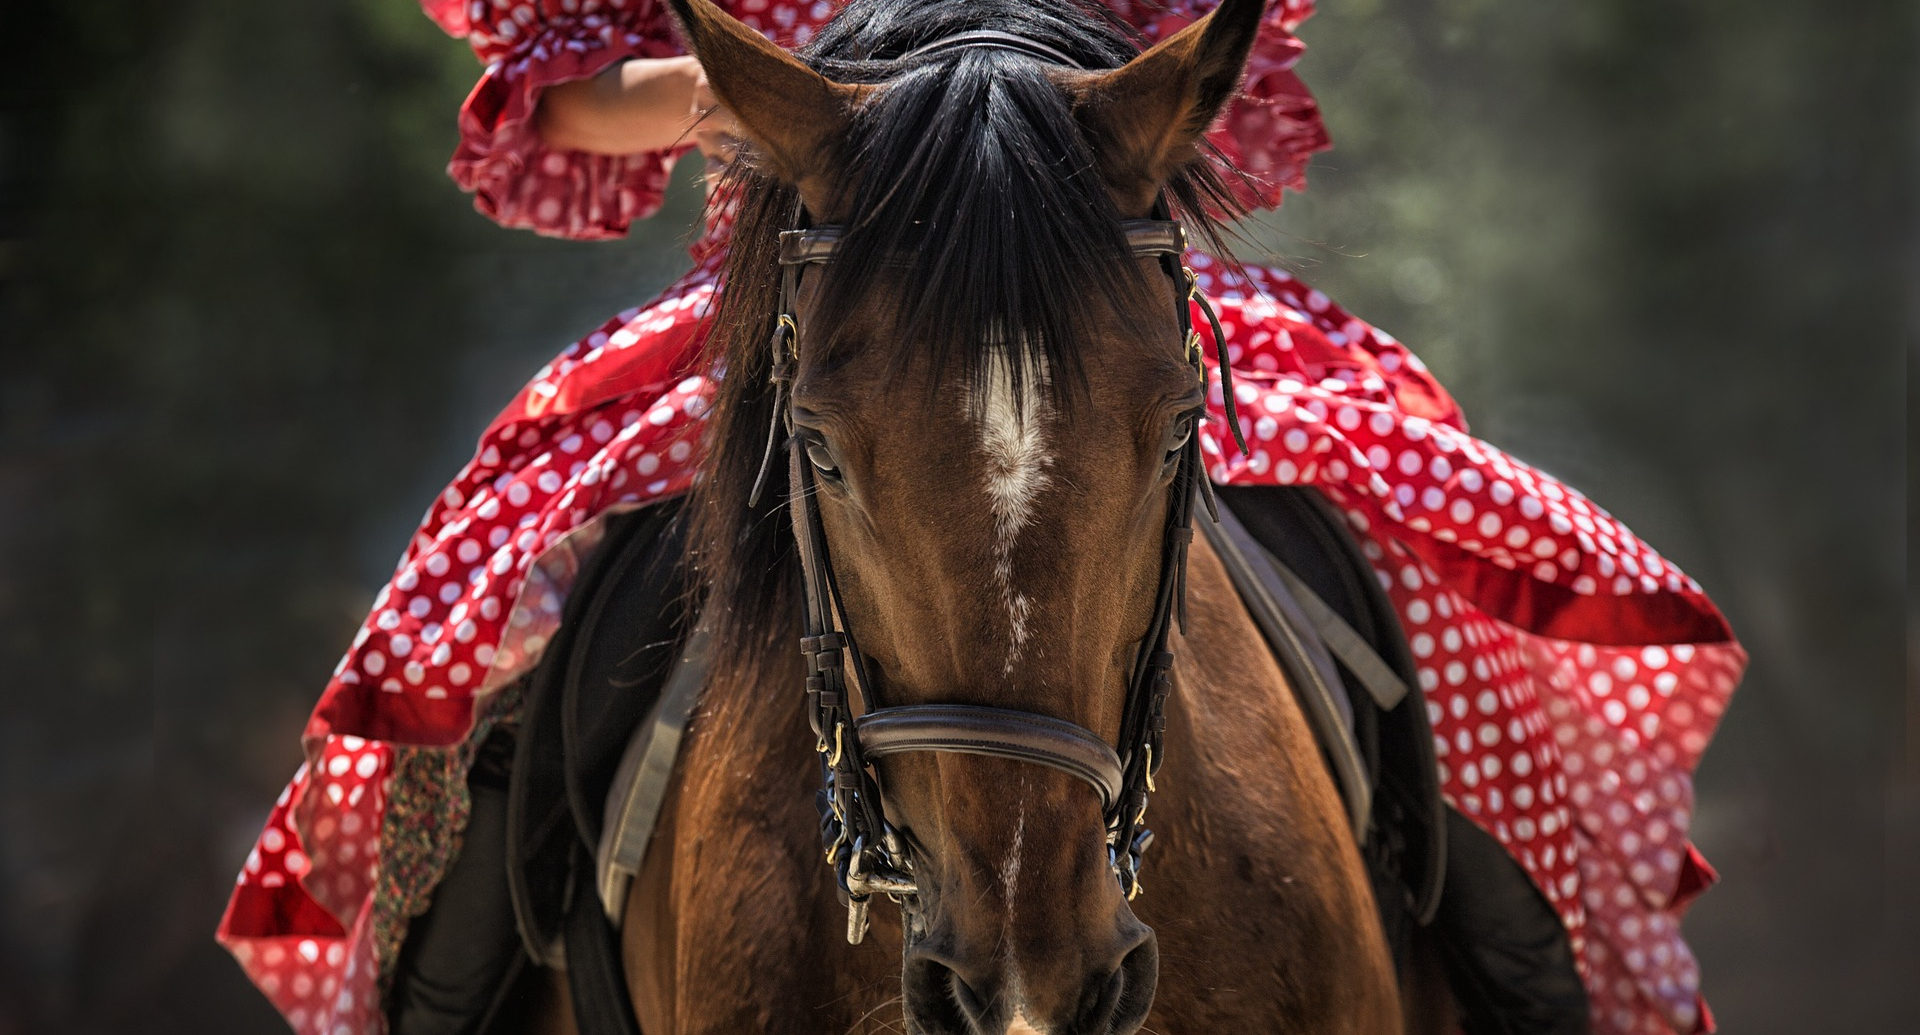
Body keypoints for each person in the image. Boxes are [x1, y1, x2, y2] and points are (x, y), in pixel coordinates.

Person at [216, 2, 1746, 1034]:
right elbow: (569, 97)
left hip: (1083, 259)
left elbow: (1197, 59)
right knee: (514, 621)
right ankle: (452, 978)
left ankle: (1519, 964)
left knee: (1421, 552)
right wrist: (795, 94)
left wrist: (1032, 88)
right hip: (825, 274)